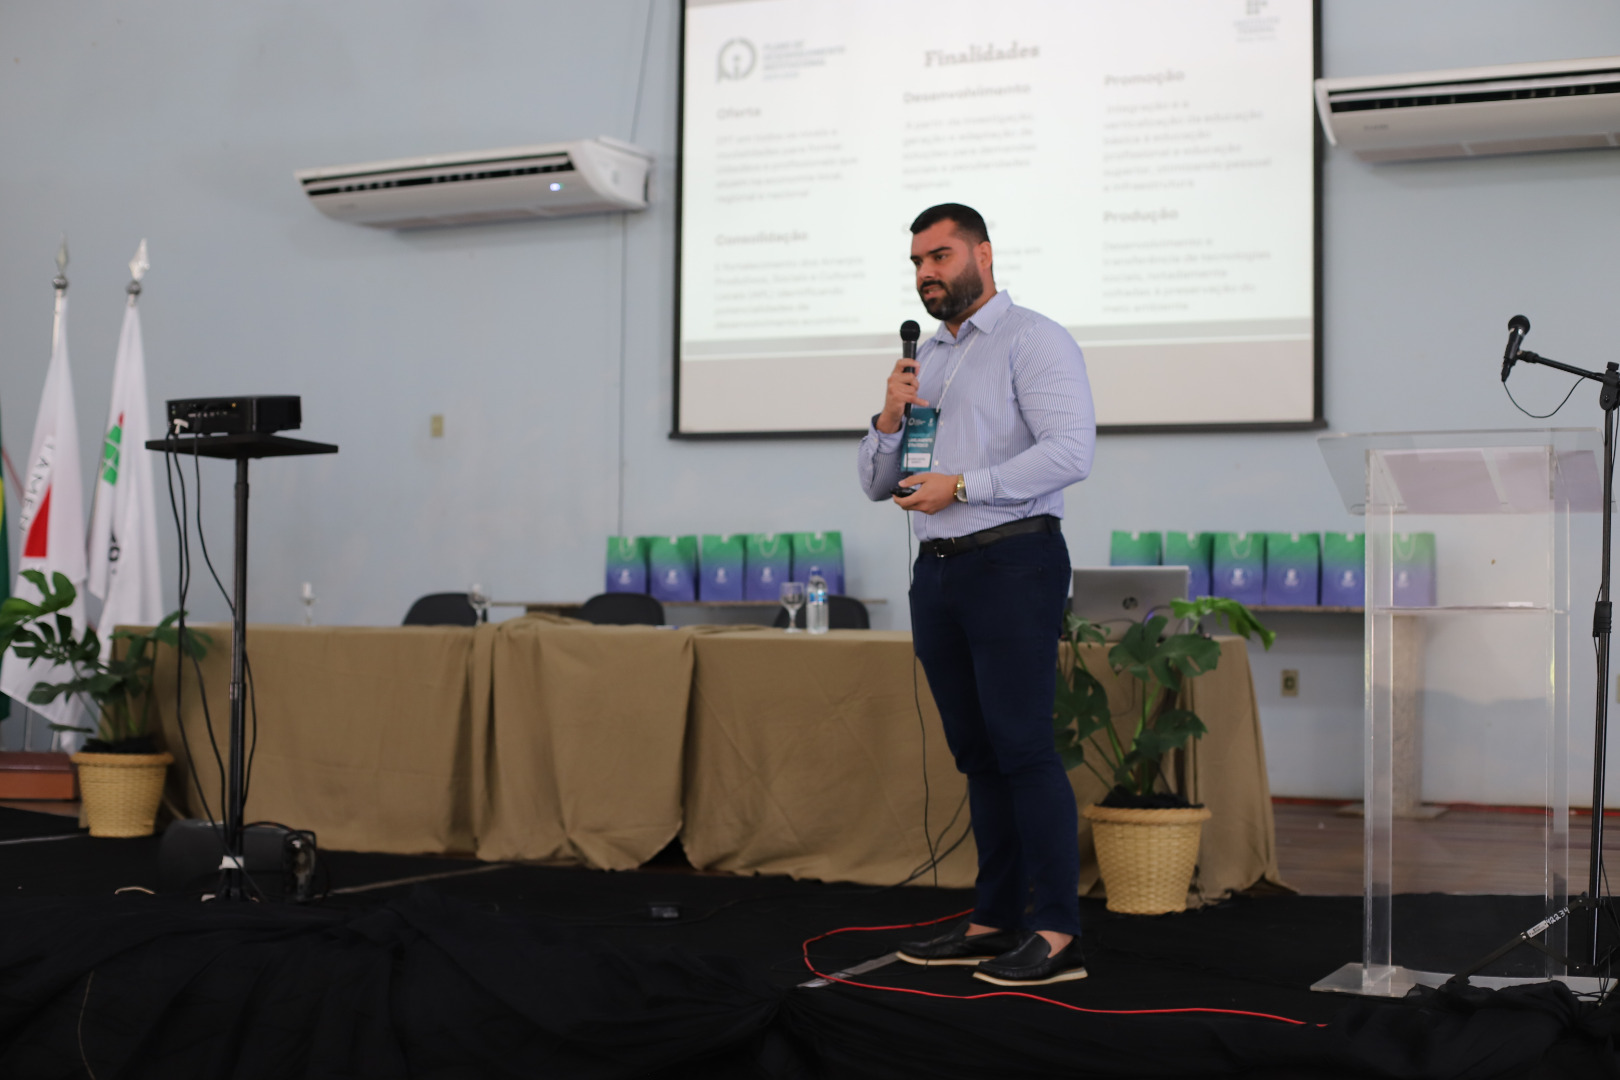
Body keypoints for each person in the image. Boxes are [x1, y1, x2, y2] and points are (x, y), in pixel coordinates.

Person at [856, 203, 1096, 986]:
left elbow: (1071, 452)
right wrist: (888, 416)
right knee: (978, 755)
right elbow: (877, 484)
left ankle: (1056, 933)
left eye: (941, 256)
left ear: (983, 255)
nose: (926, 273)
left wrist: (964, 485)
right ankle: (994, 922)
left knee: (1022, 748)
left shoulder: (1034, 340)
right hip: (939, 572)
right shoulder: (924, 358)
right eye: (917, 262)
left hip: (1014, 562)